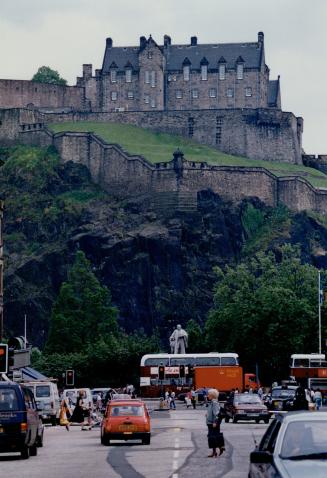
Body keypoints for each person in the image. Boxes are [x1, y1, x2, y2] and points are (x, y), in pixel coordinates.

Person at [206, 388, 224, 457]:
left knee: (212, 437)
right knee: (213, 437)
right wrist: (207, 414)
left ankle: (220, 448)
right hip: (210, 422)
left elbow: (216, 414)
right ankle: (215, 451)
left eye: (209, 394)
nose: (207, 396)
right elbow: (212, 412)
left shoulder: (214, 403)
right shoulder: (212, 402)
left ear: (212, 395)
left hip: (212, 423)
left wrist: (215, 422)